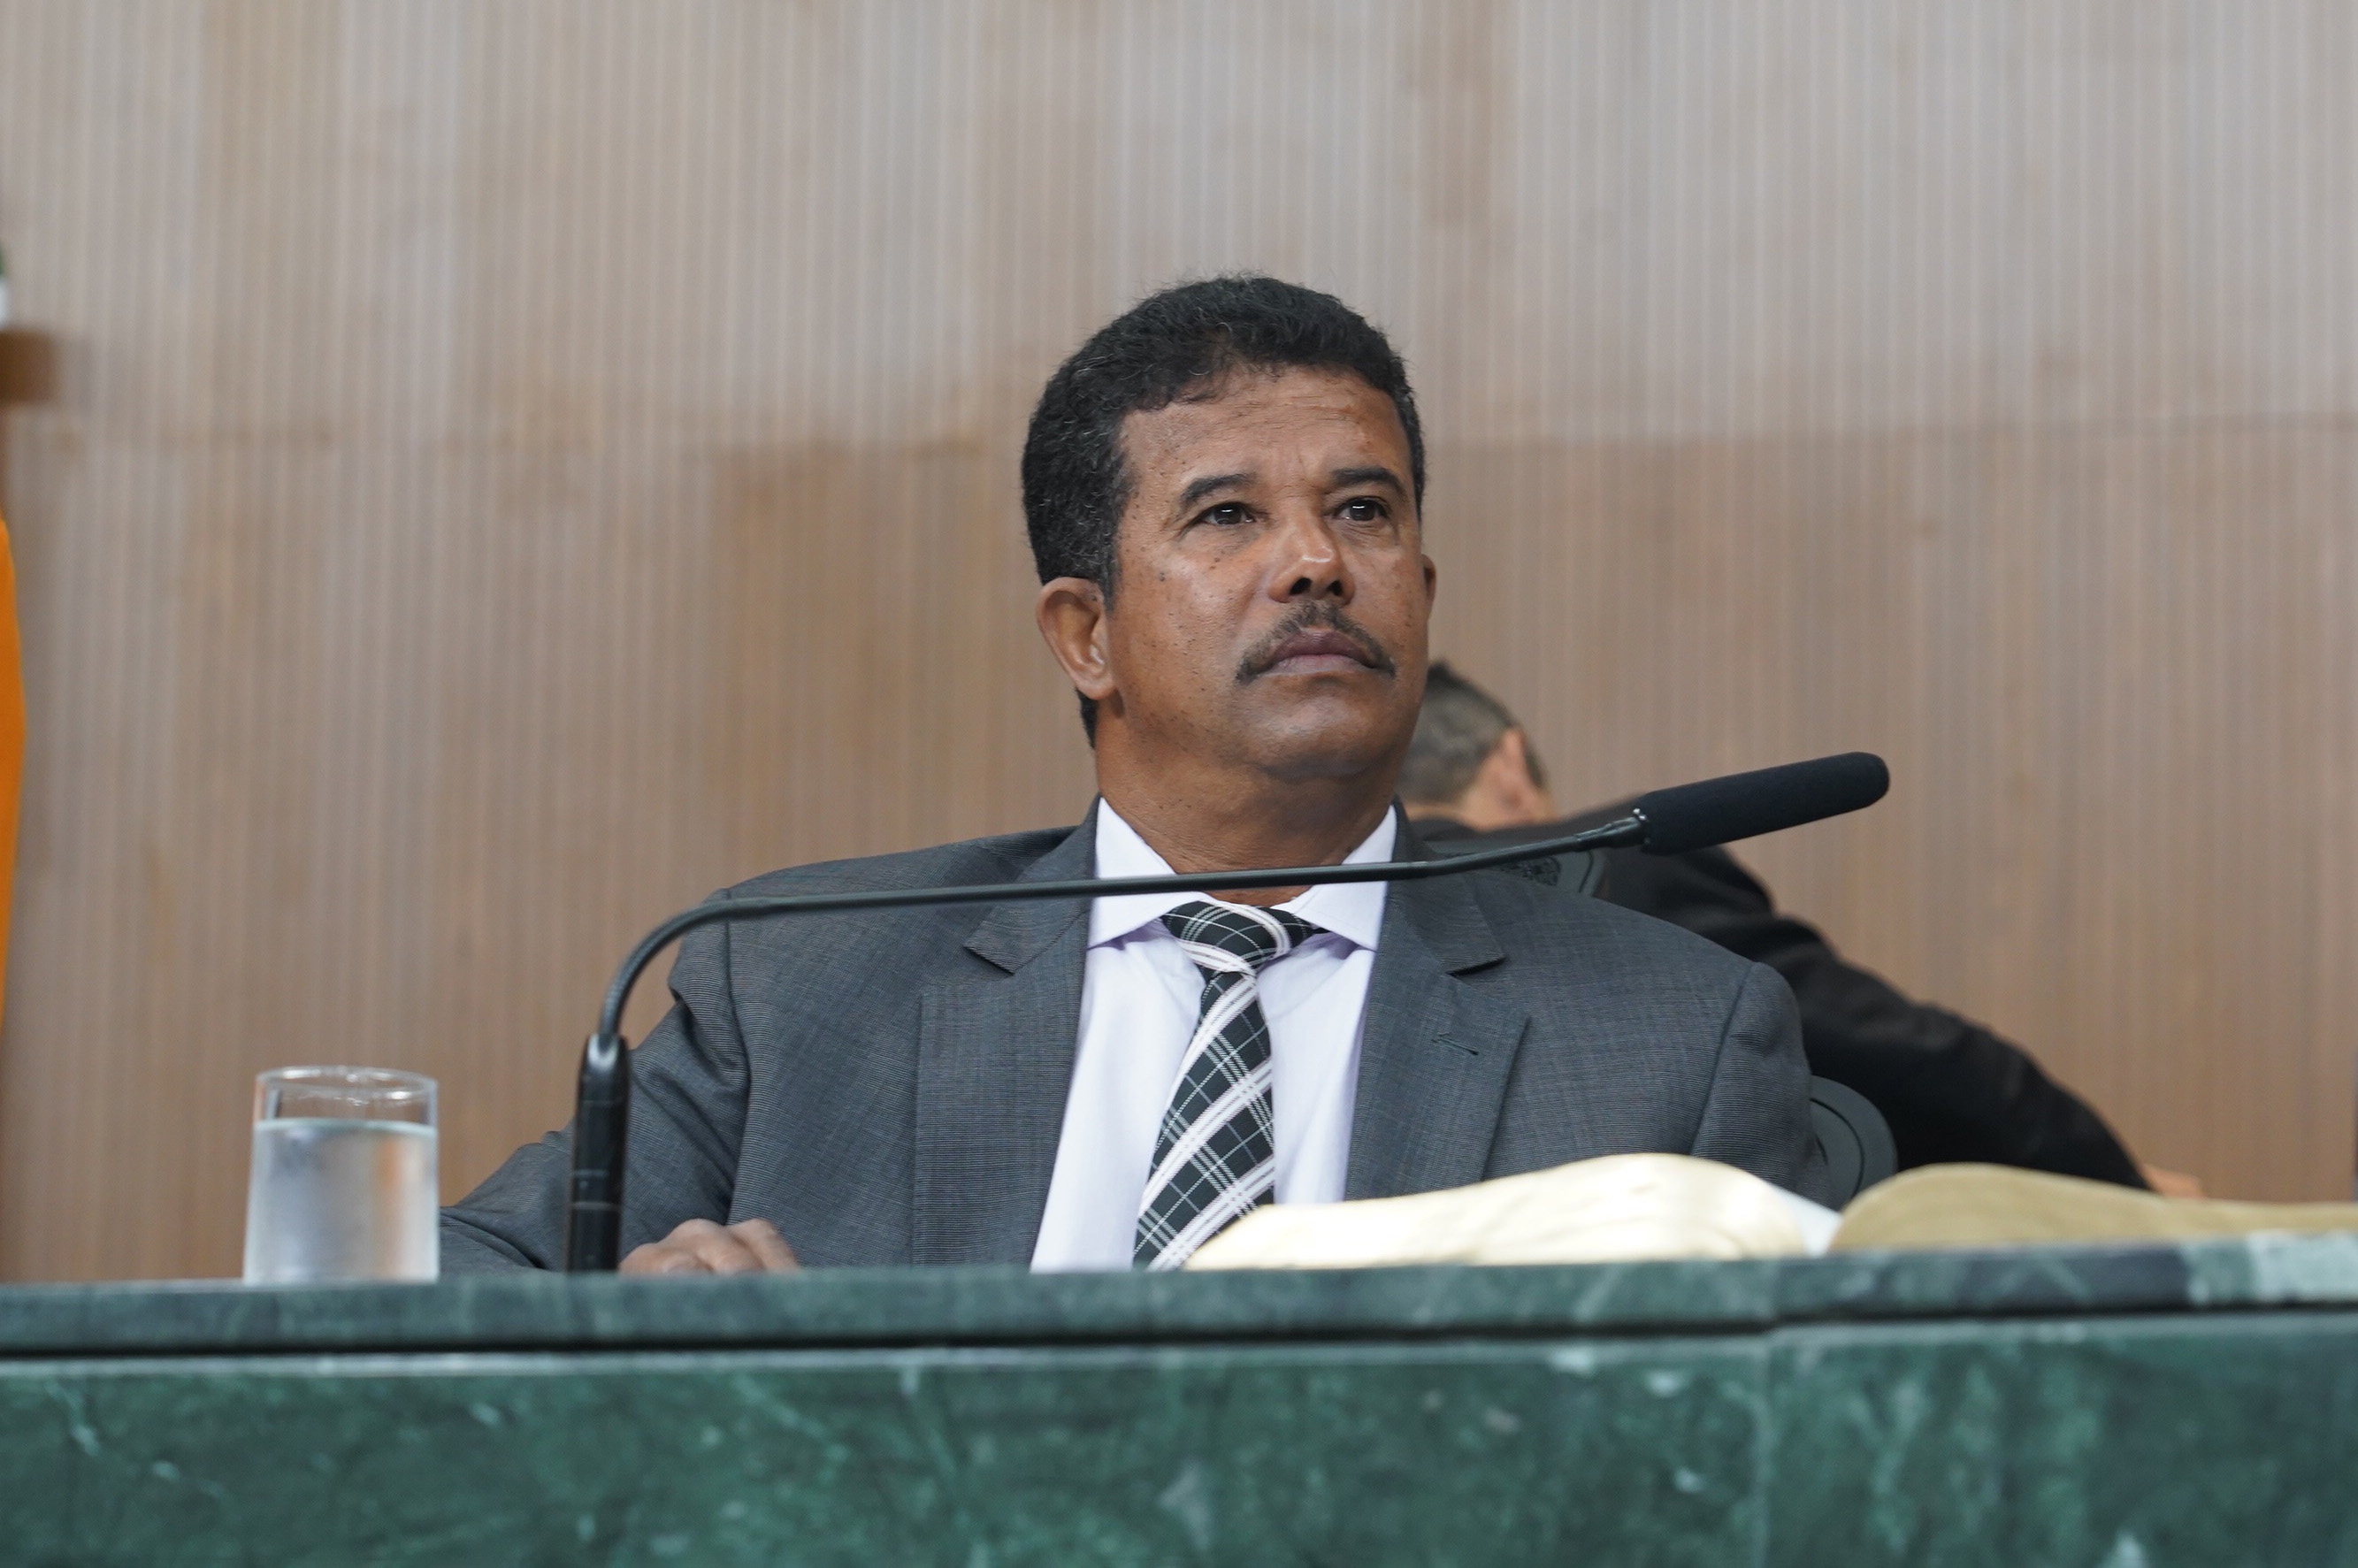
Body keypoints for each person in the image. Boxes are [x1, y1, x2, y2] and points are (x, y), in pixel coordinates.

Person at [442, 277, 1828, 1276]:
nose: (1316, 562)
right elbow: (450, 1285)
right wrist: (635, 1334)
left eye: (1362, 509)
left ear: (1420, 588)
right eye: (1226, 515)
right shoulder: (803, 983)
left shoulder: (1670, 1041)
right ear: (1084, 635)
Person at [1403, 661, 2201, 1195]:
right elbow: (1917, 1059)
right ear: (1511, 765)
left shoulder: (1348, 919)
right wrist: (2120, 1191)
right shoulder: (1623, 868)